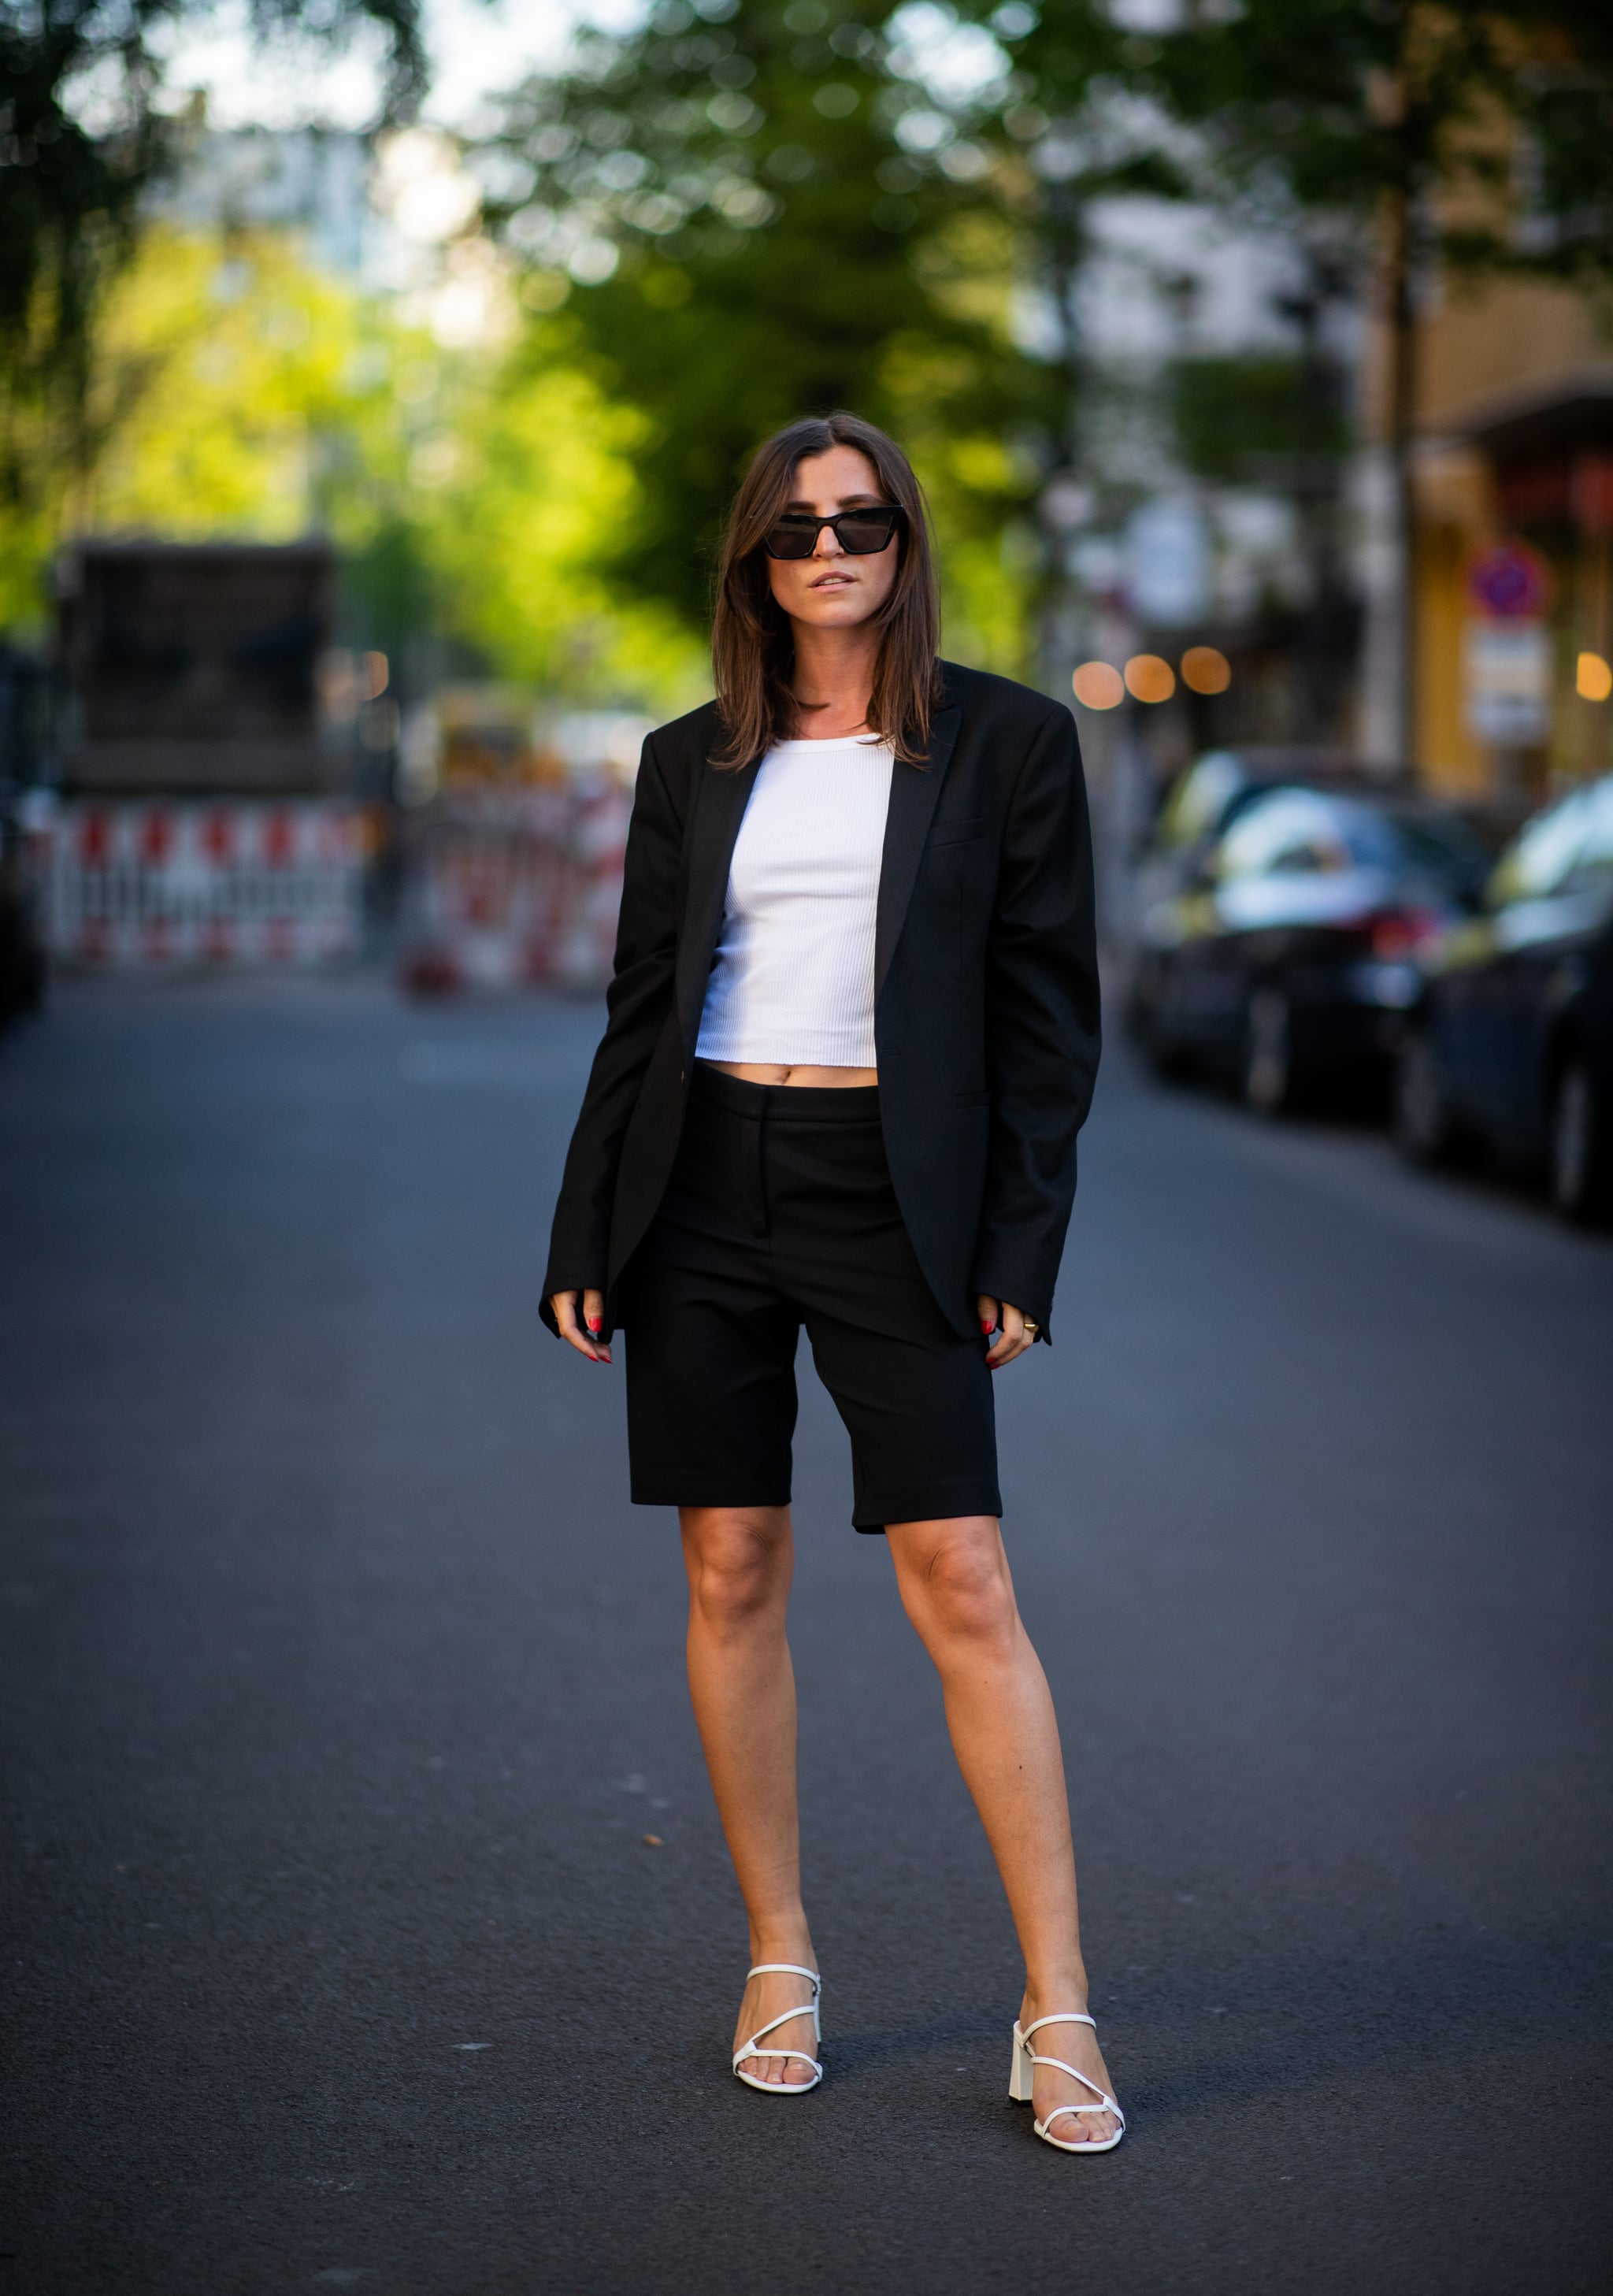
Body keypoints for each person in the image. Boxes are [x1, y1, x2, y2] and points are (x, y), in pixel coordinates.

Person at [543, 411, 1120, 2153]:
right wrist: (586, 1226)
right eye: (797, 528)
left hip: (902, 1191)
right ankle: (780, 1952)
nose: (831, 548)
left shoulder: (1005, 743)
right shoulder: (692, 756)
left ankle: (1059, 1999)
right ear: (756, 562)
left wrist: (1020, 1245)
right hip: (704, 1177)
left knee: (961, 1573)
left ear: (902, 541)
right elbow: (645, 1003)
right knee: (731, 1563)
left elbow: (1046, 1017)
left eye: (861, 520)